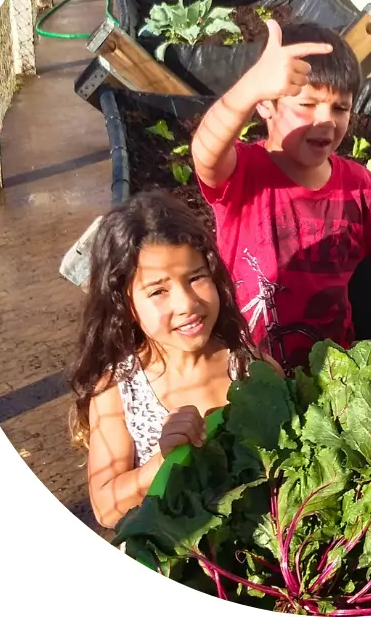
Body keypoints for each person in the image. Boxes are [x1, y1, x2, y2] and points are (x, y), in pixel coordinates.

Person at [190, 20, 371, 374]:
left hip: (331, 380)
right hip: (246, 377)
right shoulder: (245, 174)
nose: (326, 121)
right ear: (265, 106)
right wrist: (250, 87)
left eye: (340, 108)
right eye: (307, 104)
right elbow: (205, 152)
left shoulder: (357, 185)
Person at [69, 190, 278, 529]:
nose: (186, 304)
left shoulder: (254, 371)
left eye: (196, 277)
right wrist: (163, 462)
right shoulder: (119, 390)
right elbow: (106, 509)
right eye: (158, 291)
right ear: (126, 304)